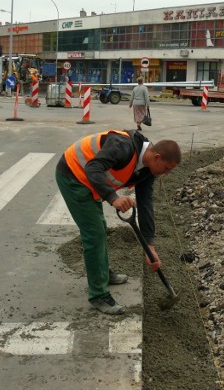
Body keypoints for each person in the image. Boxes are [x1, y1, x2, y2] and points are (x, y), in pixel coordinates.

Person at [55, 130, 181, 315]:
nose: (166, 174)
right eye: (167, 168)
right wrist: (113, 197)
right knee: (95, 233)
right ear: (157, 157)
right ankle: (98, 295)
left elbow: (145, 203)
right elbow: (93, 168)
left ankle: (103, 273)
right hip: (73, 175)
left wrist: (150, 245)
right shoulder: (123, 146)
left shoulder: (147, 170)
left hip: (90, 182)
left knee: (99, 228)